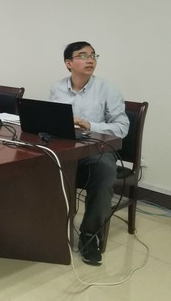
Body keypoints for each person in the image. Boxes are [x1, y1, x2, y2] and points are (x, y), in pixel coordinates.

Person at [50, 41, 129, 266]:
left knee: (104, 173)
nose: (90, 60)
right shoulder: (57, 88)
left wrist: (90, 125)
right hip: (66, 149)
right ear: (69, 63)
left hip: (97, 150)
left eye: (93, 55)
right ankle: (47, 228)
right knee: (38, 164)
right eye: (83, 55)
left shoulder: (107, 89)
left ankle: (90, 235)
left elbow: (122, 127)